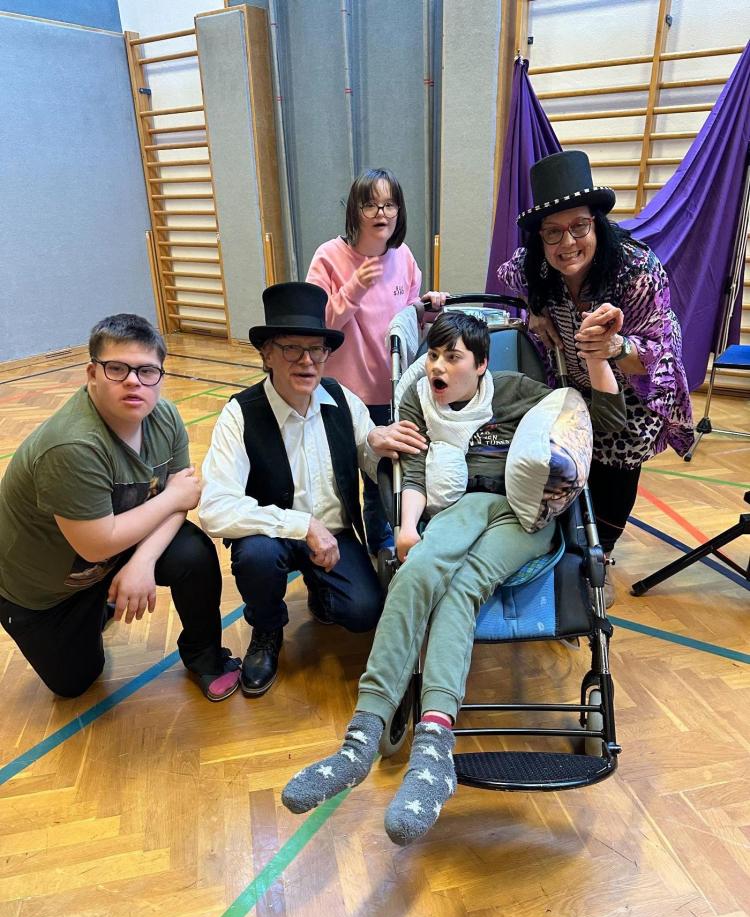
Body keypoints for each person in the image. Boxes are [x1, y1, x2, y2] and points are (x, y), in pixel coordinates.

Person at [281, 312, 626, 845]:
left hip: (521, 514)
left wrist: (598, 366)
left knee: (462, 589)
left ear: (481, 365)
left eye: (453, 357)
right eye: (434, 355)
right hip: (458, 508)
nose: (438, 366)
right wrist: (407, 528)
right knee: (416, 571)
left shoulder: (515, 391)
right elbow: (414, 469)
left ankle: (435, 745)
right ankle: (361, 737)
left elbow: (593, 421)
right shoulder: (418, 398)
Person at [199, 282, 427, 699]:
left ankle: (323, 592)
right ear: (266, 354)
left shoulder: (343, 400)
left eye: (316, 349)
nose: (306, 361)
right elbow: (214, 507)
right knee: (255, 557)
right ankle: (267, 629)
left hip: (336, 534)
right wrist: (302, 525)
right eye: (291, 348)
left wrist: (375, 444)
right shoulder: (240, 414)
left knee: (364, 612)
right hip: (272, 535)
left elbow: (369, 456)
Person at [0, 314, 241, 701]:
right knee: (75, 683)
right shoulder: (72, 445)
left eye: (147, 370)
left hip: (109, 550)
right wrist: (172, 497)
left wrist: (143, 561)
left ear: (160, 376)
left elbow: (181, 502)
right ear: (92, 374)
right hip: (46, 592)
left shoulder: (165, 417)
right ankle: (101, 606)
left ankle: (205, 655)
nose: (133, 381)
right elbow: (100, 542)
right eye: (117, 368)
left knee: (193, 552)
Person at [496, 150, 693, 606]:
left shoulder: (636, 272)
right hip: (571, 385)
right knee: (565, 467)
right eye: (553, 231)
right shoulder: (534, 264)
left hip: (633, 393)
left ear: (597, 224)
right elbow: (510, 278)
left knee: (613, 474)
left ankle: (598, 559)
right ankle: (562, 554)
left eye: (579, 226)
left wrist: (616, 348)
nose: (567, 242)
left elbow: (663, 355)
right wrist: (535, 311)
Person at [306, 167, 447, 557]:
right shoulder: (329, 257)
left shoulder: (404, 257)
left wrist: (427, 309)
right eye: (370, 205)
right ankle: (340, 548)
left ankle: (381, 545)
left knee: (383, 474)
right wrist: (354, 287)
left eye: (389, 204)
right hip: (343, 395)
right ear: (355, 210)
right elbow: (320, 327)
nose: (381, 213)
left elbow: (407, 325)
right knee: (341, 476)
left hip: (393, 391)